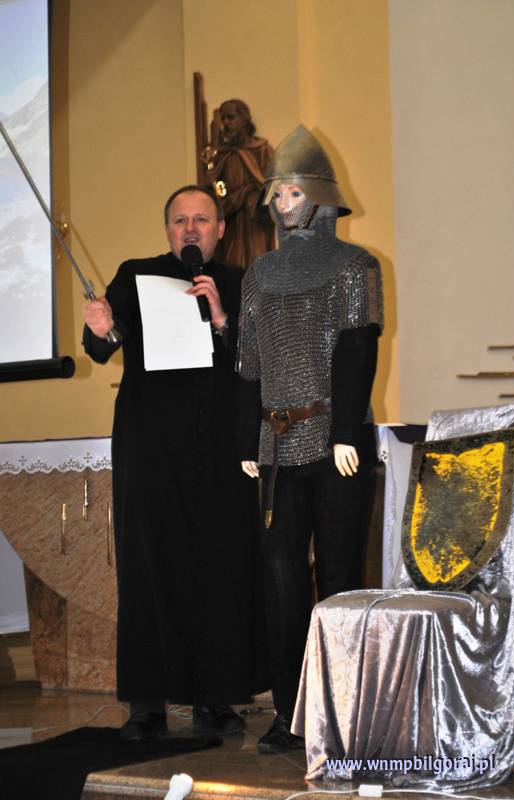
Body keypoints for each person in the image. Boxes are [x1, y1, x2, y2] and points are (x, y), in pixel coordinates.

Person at [83, 185, 267, 741]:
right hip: (150, 446)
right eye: (180, 220)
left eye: (201, 220)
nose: (190, 229)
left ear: (220, 229)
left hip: (221, 448)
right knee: (149, 564)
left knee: (220, 565)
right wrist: (99, 328)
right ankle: (147, 704)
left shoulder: (242, 282)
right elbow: (103, 345)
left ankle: (216, 698)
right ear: (167, 230)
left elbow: (258, 359)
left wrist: (221, 318)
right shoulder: (135, 274)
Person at [236, 126, 383, 754]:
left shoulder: (354, 266)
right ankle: (289, 713)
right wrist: (249, 440)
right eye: (277, 193)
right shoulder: (258, 276)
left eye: (293, 193)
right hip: (276, 448)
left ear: (320, 198)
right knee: (280, 580)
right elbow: (249, 366)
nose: (282, 203)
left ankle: (344, 710)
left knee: (342, 575)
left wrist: (346, 431)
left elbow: (357, 352)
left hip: (335, 444)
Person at [206, 99, 275, 268]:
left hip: (256, 225)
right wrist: (236, 197)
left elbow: (274, 188)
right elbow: (214, 191)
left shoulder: (262, 150)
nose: (226, 123)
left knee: (256, 267)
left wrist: (252, 194)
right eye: (223, 119)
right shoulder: (221, 155)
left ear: (244, 120)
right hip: (231, 226)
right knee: (231, 269)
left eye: (231, 117)